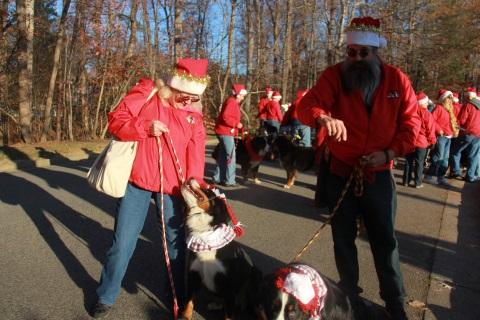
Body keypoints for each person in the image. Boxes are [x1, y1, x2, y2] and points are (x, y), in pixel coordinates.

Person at [297, 16, 420, 320]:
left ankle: (394, 300)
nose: (356, 59)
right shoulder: (334, 77)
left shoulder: (396, 79)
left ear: (376, 52)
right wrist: (323, 118)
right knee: (342, 238)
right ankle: (350, 295)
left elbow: (412, 126)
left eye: (363, 53)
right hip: (341, 172)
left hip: (378, 174)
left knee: (384, 239)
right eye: (351, 52)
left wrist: (390, 152)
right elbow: (305, 106)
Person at [90, 58, 209, 319]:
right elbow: (116, 120)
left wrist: (194, 179)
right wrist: (145, 127)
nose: (188, 102)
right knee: (123, 243)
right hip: (138, 182)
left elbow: (196, 147)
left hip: (173, 188)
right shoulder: (148, 92)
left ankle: (177, 296)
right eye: (184, 97)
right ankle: (106, 295)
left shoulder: (193, 112)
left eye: (193, 98)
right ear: (173, 86)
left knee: (176, 248)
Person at [213, 83, 247, 187]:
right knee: (231, 157)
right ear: (237, 94)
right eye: (242, 95)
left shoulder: (231, 102)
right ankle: (229, 180)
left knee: (223, 156)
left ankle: (218, 178)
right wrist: (237, 124)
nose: (243, 97)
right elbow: (225, 117)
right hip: (226, 132)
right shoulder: (232, 102)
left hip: (224, 131)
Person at [424, 89, 460, 186]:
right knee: (438, 156)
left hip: (448, 137)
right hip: (441, 136)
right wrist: (439, 129)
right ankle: (429, 175)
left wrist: (455, 129)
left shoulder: (450, 110)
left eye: (451, 98)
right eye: (449, 98)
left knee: (445, 158)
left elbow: (451, 123)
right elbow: (431, 120)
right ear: (444, 99)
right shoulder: (439, 108)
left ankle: (441, 177)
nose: (451, 100)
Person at [402, 92, 437, 188]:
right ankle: (417, 182)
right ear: (423, 103)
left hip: (410, 140)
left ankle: (406, 181)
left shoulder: (410, 112)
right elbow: (430, 129)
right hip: (421, 142)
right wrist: (432, 141)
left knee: (408, 161)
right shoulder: (427, 114)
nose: (427, 104)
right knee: (419, 163)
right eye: (426, 103)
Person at [449, 87, 480, 182]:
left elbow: (462, 120)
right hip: (477, 134)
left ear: (468, 97)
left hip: (467, 133)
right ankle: (470, 176)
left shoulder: (468, 105)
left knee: (455, 152)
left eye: (466, 95)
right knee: (473, 155)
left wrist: (456, 124)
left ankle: (455, 171)